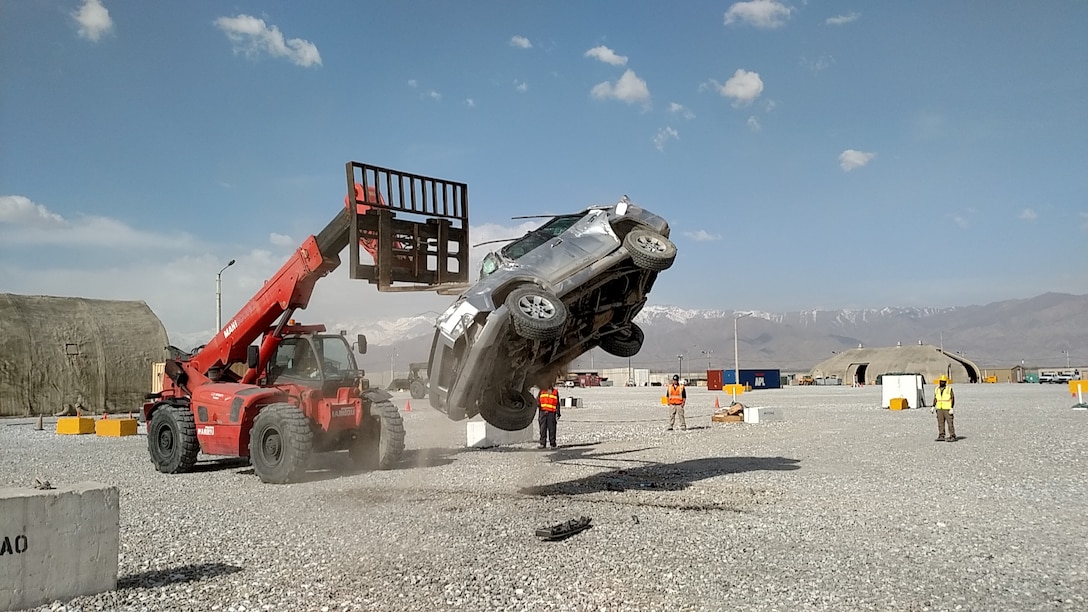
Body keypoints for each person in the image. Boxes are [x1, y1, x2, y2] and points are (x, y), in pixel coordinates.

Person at [933, 375, 957, 442]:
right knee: (940, 423)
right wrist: (933, 406)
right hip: (939, 409)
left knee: (950, 423)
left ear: (945, 382)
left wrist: (951, 408)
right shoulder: (937, 389)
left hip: (947, 409)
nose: (941, 383)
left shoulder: (949, 389)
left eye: (943, 381)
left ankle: (952, 436)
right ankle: (941, 435)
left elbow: (952, 398)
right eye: (941, 381)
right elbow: (935, 398)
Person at [538, 384, 560, 448]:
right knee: (542, 429)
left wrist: (558, 413)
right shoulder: (541, 391)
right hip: (543, 412)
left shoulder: (555, 392)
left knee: (552, 429)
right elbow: (538, 401)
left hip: (551, 413)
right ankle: (542, 443)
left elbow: (557, 403)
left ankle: (552, 444)